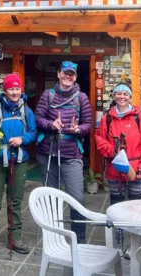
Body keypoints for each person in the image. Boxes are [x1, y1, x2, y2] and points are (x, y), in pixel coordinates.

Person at [94, 83, 141, 257]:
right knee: (117, 209)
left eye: (125, 94)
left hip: (137, 171)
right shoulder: (107, 118)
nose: (122, 97)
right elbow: (99, 138)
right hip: (116, 170)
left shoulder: (139, 118)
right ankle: (119, 246)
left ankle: (138, 246)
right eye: (118, 94)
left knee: (137, 209)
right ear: (114, 96)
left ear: (130, 96)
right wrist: (111, 151)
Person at [35, 60, 92, 243]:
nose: (68, 76)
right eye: (65, 73)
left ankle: (79, 241)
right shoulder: (47, 95)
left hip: (72, 154)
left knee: (77, 199)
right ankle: (53, 238)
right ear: (59, 74)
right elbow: (38, 118)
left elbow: (88, 124)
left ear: (75, 77)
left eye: (72, 74)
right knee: (51, 199)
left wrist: (78, 130)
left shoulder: (81, 97)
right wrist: (51, 125)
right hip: (49, 152)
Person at [0, 73, 37, 257]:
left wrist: (22, 139)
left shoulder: (26, 111)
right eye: (11, 89)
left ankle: (15, 238)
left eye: (17, 88)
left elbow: (33, 132)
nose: (14, 92)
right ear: (4, 90)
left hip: (19, 159)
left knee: (15, 201)